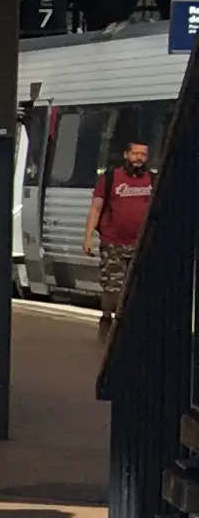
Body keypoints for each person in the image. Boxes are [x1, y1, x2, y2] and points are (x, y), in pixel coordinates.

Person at [94, 131, 161, 352]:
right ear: (126, 154)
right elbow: (96, 207)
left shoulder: (153, 180)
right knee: (113, 288)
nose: (139, 158)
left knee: (139, 288)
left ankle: (129, 330)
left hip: (142, 244)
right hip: (113, 242)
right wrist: (88, 236)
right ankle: (106, 319)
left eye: (143, 154)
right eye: (135, 153)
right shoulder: (111, 178)